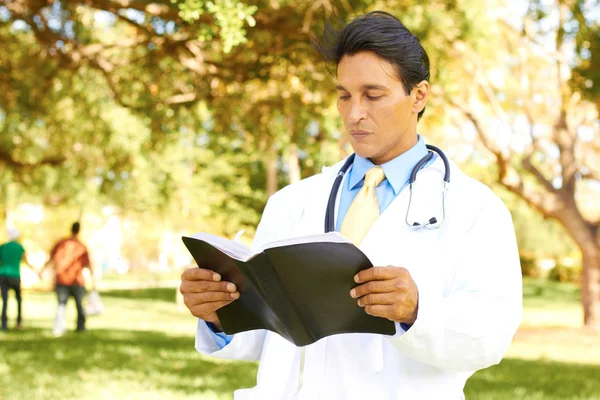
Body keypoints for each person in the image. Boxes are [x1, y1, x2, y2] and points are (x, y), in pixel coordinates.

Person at [180, 11, 522, 400]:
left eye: (372, 95)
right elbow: (267, 336)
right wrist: (217, 313)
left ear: (419, 95)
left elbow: (490, 337)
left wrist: (416, 311)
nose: (354, 113)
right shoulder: (291, 202)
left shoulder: (476, 209)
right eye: (344, 96)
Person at [39, 221, 95, 336]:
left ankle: (59, 327)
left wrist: (42, 271)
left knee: (61, 304)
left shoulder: (61, 243)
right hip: (76, 280)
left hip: (62, 279)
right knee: (79, 305)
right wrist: (93, 279)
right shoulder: (81, 246)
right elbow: (88, 264)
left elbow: (51, 259)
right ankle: (81, 327)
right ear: (78, 231)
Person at [0, 228, 36, 331]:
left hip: (3, 275)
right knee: (19, 299)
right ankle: (19, 322)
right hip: (15, 276)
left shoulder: (3, 247)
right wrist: (36, 271)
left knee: (5, 300)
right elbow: (26, 260)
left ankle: (4, 324)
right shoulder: (19, 247)